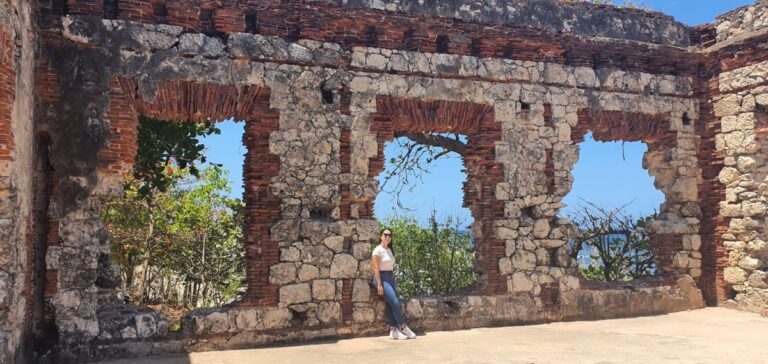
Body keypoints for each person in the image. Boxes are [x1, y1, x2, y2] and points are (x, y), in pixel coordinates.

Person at [371, 228, 417, 340]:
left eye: (390, 235)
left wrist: (393, 278)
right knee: (395, 302)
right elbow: (375, 268)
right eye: (385, 235)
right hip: (381, 278)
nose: (388, 237)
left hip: (390, 278)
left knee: (390, 303)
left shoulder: (390, 250)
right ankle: (403, 326)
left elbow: (390, 266)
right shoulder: (377, 251)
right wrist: (380, 285)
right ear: (381, 236)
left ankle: (393, 331)